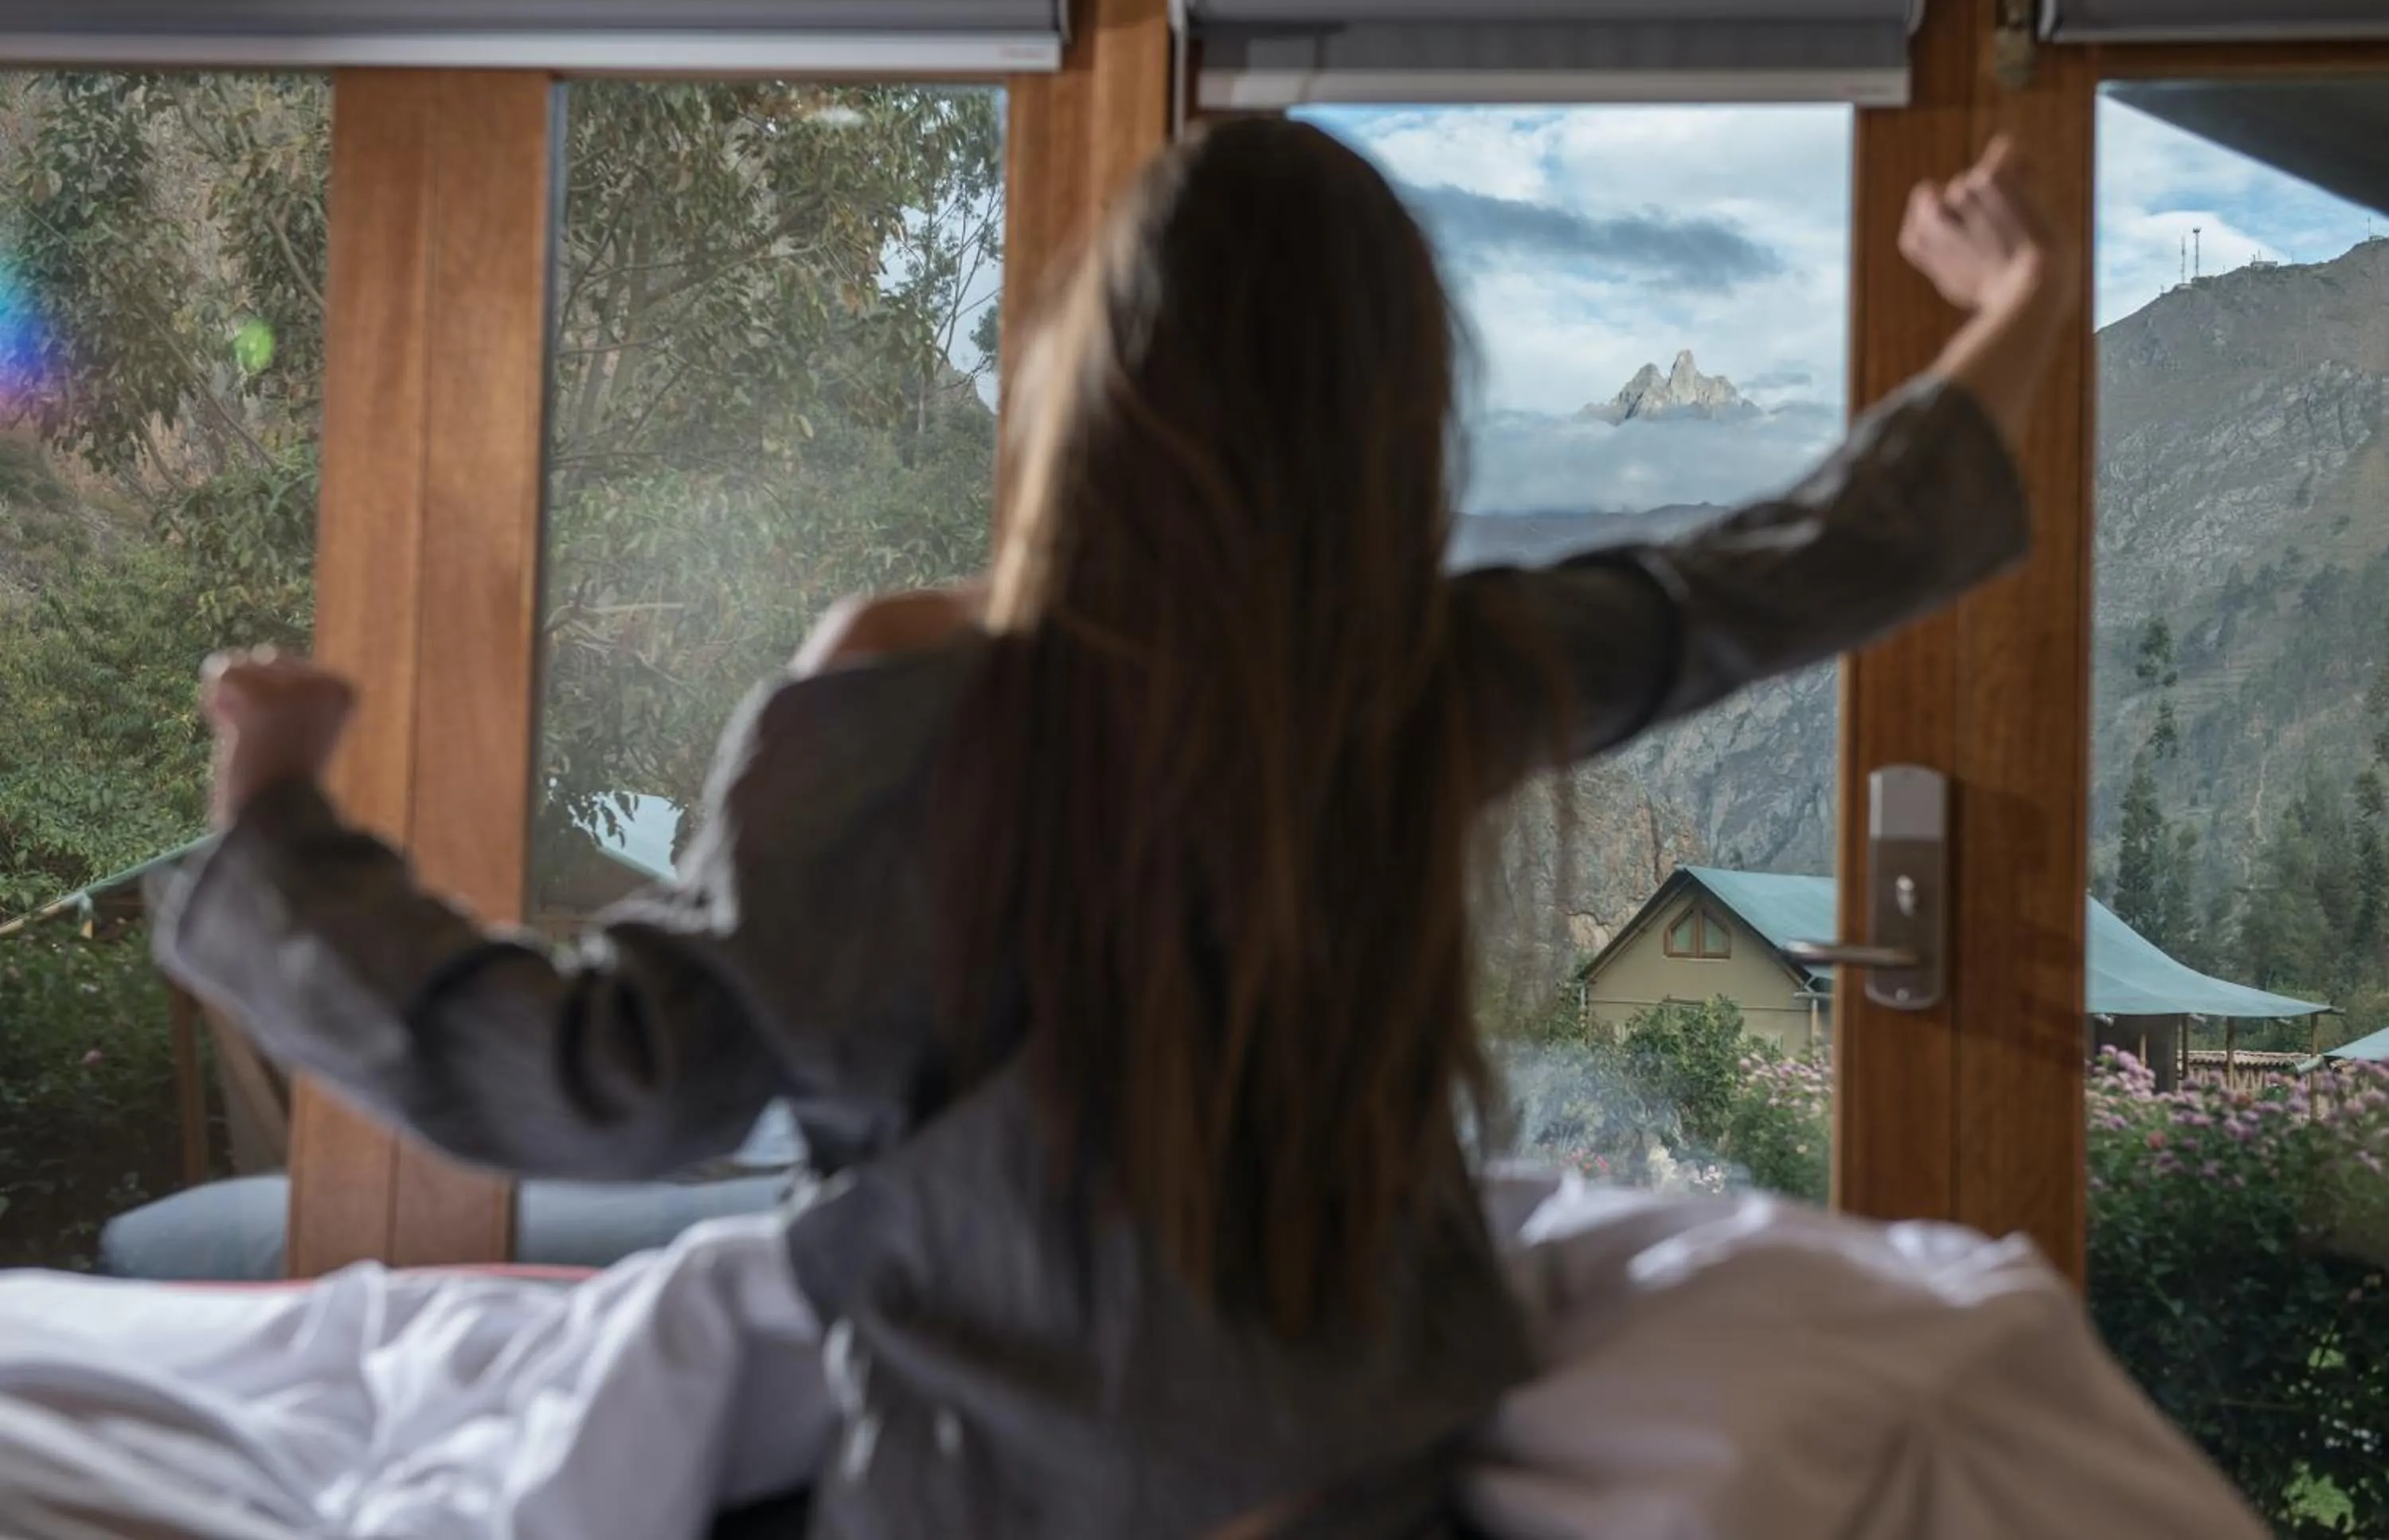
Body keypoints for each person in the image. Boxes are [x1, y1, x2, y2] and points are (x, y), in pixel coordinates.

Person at [153, 119, 2074, 1538]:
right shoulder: (1422, 683)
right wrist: (2022, 309)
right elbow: (1781, 567)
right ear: (1394, 425)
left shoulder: (897, 700)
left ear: (1088, 395)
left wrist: (279, 822)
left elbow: (604, 1086)